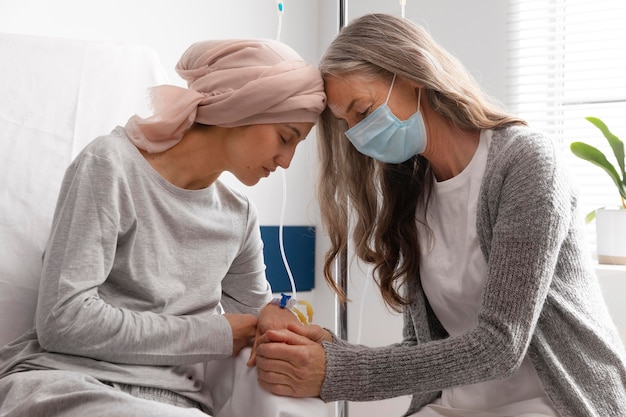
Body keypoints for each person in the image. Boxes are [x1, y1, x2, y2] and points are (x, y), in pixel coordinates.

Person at [251, 13, 626, 417]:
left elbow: (500, 346)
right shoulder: (412, 192)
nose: (357, 135)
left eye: (362, 110)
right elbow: (423, 352)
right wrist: (328, 348)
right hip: (458, 403)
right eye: (347, 123)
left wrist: (337, 371)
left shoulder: (527, 164)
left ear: (412, 73)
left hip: (556, 403)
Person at [0, 38, 327, 417]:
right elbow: (63, 321)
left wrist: (276, 319)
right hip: (69, 383)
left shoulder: (238, 216)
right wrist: (217, 334)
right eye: (286, 137)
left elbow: (256, 321)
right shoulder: (110, 165)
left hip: (175, 403)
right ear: (243, 109)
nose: (286, 161)